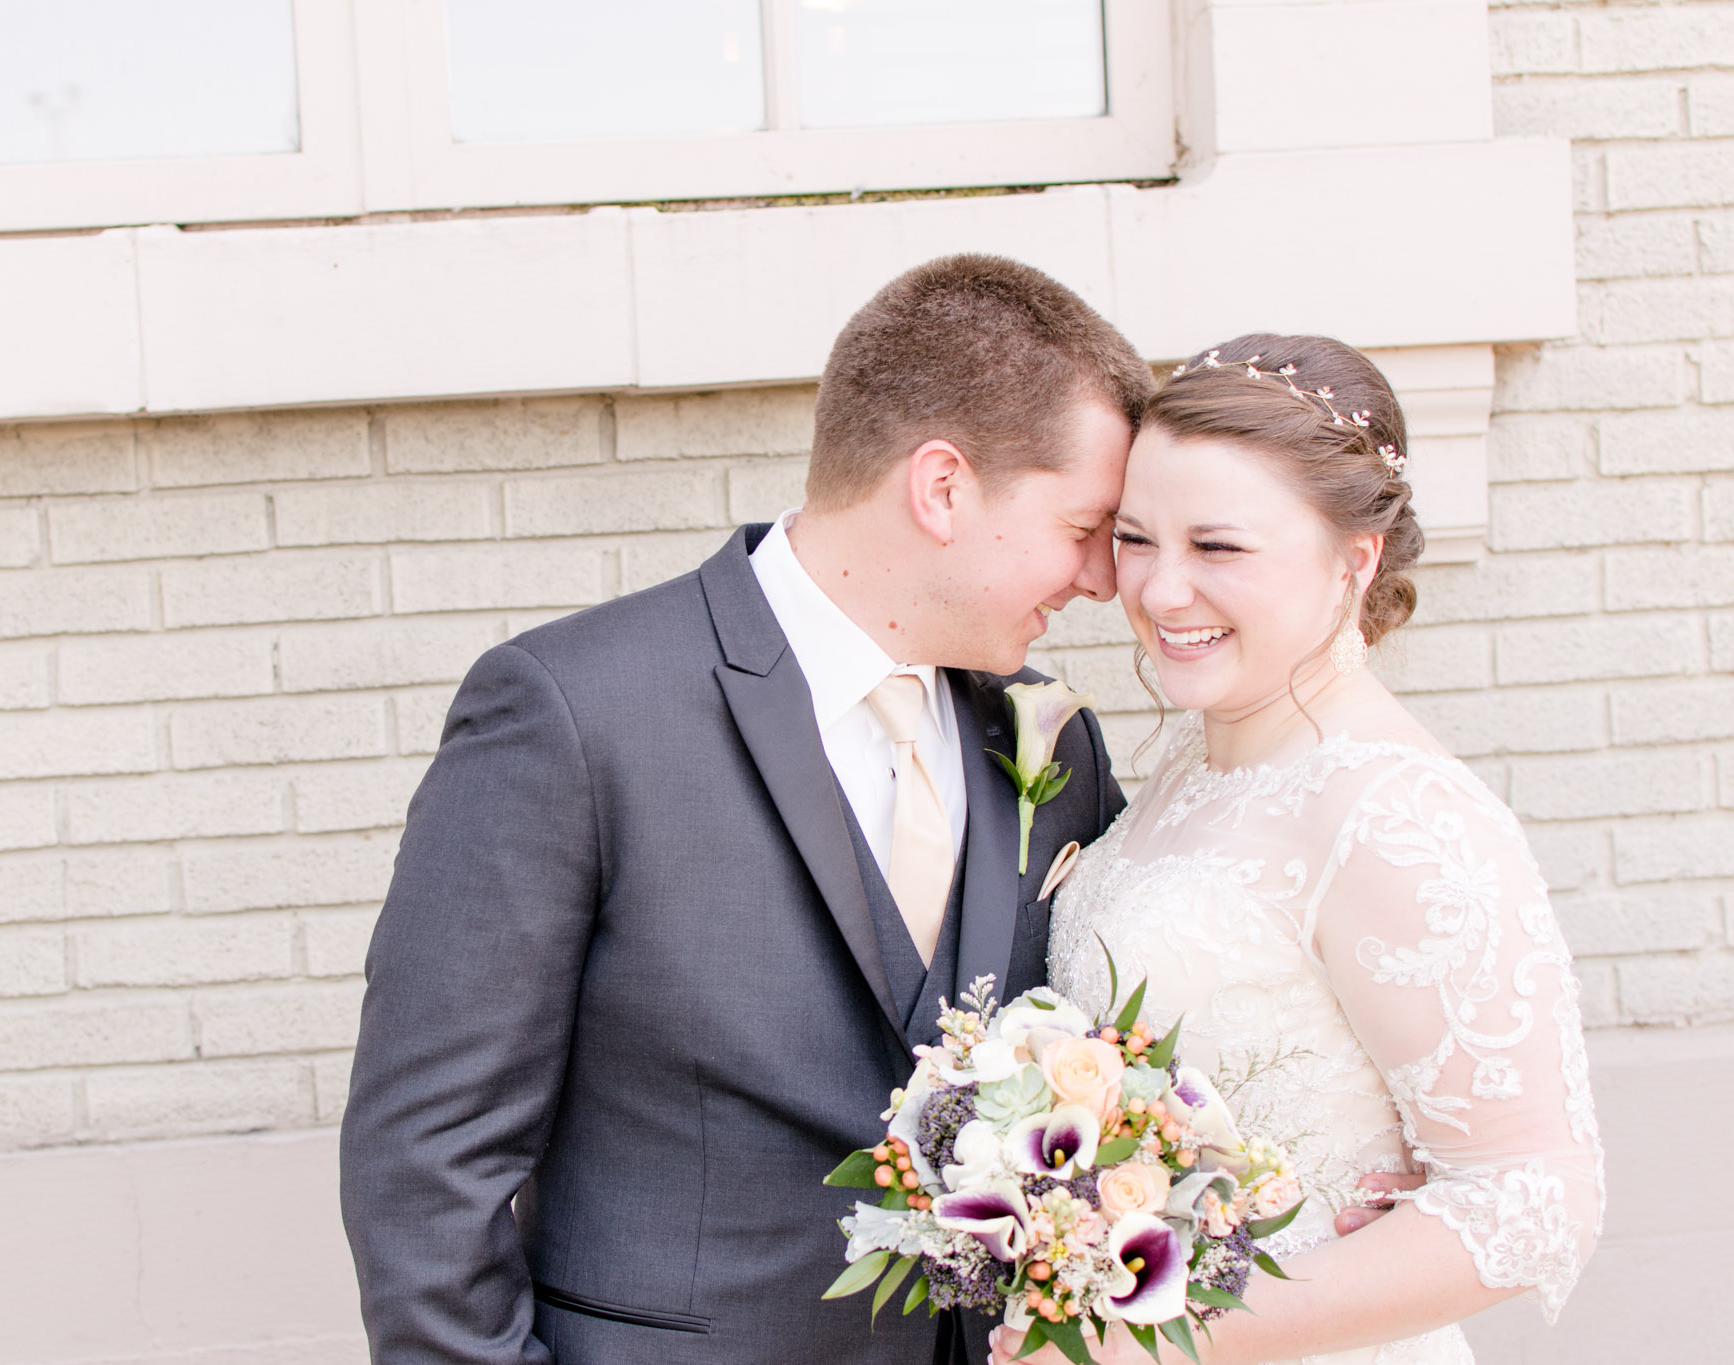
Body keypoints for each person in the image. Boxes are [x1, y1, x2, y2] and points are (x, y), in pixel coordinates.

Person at [340, 254, 1157, 1364]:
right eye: (1081, 526)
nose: (1104, 581)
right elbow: (429, 1157)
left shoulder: (1048, 740)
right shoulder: (574, 714)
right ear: (942, 489)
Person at [996, 335, 1604, 1364]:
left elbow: (1535, 1199)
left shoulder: (1394, 815)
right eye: (1136, 538)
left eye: (1218, 548)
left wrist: (1136, 1335)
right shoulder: (1197, 756)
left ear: (1352, 559)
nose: (1160, 592)